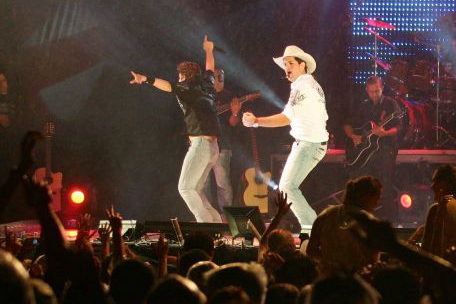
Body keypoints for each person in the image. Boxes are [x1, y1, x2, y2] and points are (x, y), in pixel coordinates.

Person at [129, 36, 223, 223]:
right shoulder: (207, 83)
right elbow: (210, 68)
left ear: (184, 76)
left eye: (179, 75)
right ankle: (216, 225)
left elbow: (167, 86)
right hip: (213, 147)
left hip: (201, 144)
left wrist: (144, 79)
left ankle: (206, 228)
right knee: (195, 189)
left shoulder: (185, 87)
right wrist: (209, 50)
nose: (178, 78)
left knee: (185, 189)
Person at [242, 45, 328, 228]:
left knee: (287, 188)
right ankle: (314, 228)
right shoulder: (309, 84)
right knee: (287, 188)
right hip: (310, 143)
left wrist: (256, 120)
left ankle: (314, 228)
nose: (286, 68)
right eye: (285, 64)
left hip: (309, 144)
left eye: (290, 63)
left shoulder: (302, 85)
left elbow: (286, 118)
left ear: (302, 65)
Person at [343, 75, 403, 215]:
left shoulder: (391, 104)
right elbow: (347, 124)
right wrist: (353, 136)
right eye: (371, 92)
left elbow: (399, 128)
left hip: (385, 148)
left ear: (382, 88)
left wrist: (384, 133)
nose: (374, 95)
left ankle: (389, 218)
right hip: (365, 151)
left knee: (385, 185)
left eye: (377, 91)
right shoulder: (364, 105)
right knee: (360, 181)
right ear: (366, 90)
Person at [307, 175, 383, 276]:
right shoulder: (370, 222)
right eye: (377, 198)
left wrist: (330, 262)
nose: (378, 203)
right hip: (358, 283)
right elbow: (373, 261)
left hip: (328, 282)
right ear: (367, 197)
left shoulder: (326, 215)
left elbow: (311, 250)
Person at [211, 68, 242, 211]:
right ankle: (204, 219)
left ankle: (226, 218)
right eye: (217, 76)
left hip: (222, 145)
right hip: (203, 143)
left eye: (222, 75)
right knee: (200, 183)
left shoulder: (230, 97)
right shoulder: (205, 94)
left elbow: (233, 123)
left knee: (222, 183)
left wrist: (235, 113)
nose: (220, 78)